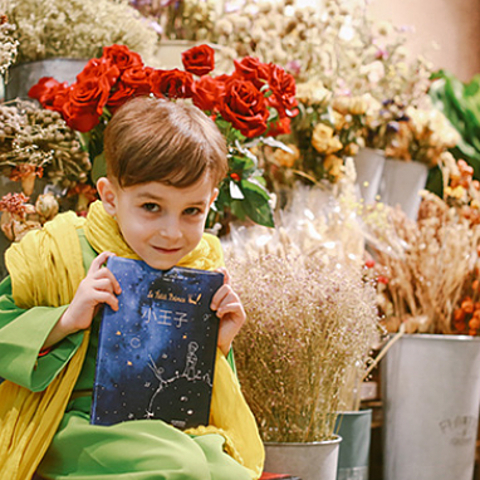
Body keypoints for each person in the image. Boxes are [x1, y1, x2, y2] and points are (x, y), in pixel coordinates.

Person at [0, 97, 264, 480]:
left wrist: (218, 344)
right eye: (152, 207)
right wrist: (66, 320)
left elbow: (196, 390)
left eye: (192, 211)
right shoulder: (57, 251)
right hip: (74, 421)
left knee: (230, 473)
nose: (172, 232)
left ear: (210, 203)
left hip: (168, 425)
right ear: (110, 197)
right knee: (179, 465)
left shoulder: (201, 264)